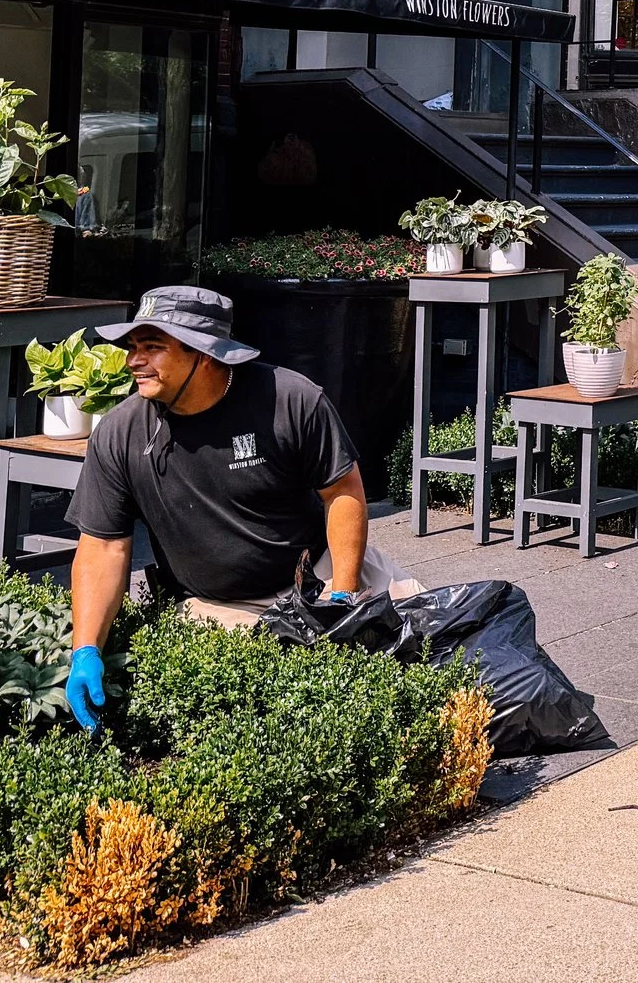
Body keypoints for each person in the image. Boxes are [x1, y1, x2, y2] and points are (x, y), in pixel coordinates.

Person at [63, 287, 402, 729]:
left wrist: (344, 591)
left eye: (152, 347)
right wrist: (86, 649)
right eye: (132, 348)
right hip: (220, 607)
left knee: (434, 645)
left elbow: (343, 492)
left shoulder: (291, 399)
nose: (133, 361)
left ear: (204, 355)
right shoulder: (118, 433)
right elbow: (103, 549)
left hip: (325, 573)